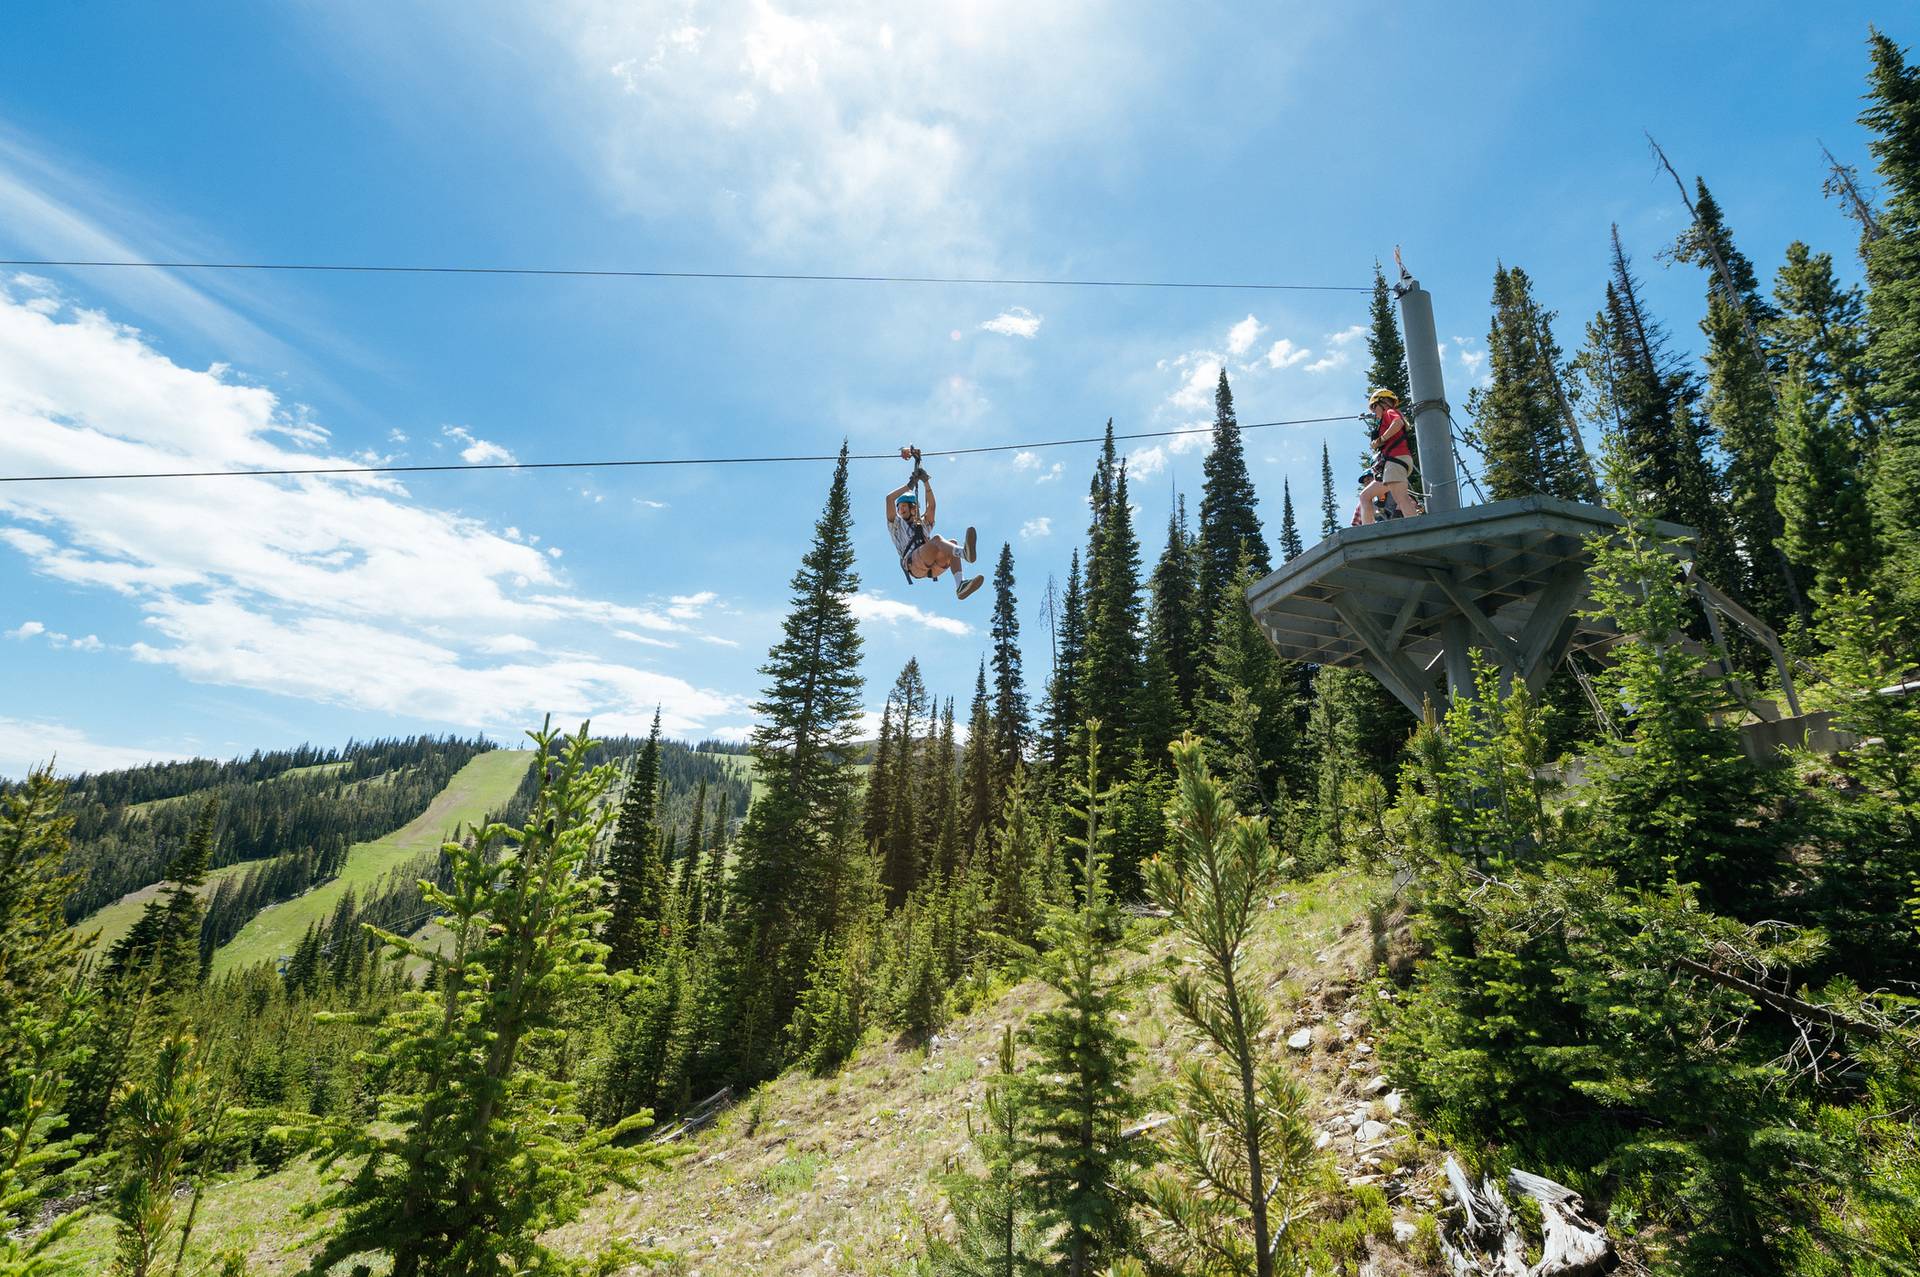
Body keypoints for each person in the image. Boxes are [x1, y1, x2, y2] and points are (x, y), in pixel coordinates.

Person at [887, 449, 983, 600]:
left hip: (932, 567)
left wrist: (926, 482)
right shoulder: (896, 526)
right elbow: (889, 499)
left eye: (904, 506)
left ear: (914, 509)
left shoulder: (923, 524)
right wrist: (910, 485)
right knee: (938, 540)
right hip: (913, 564)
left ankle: (960, 585)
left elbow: (931, 507)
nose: (901, 509)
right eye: (899, 507)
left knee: (951, 543)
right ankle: (964, 553)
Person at [1357, 387, 1423, 525]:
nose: (1374, 412)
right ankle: (1368, 530)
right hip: (1395, 462)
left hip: (1395, 460)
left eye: (1374, 407)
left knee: (1401, 498)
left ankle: (1417, 528)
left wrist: (1381, 440)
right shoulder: (1387, 415)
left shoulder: (1390, 412)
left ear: (1383, 402)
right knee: (1365, 496)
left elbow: (1397, 423)